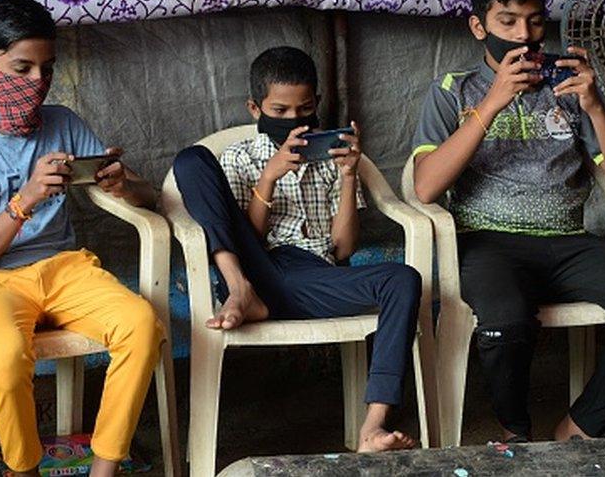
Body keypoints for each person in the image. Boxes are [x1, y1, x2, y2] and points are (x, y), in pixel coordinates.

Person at [411, 0, 605, 442]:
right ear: (479, 27)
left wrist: (594, 105)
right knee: (505, 320)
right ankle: (515, 432)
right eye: (508, 21)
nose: (523, 34)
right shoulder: (452, 90)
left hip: (568, 243)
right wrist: (493, 101)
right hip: (485, 243)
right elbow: (426, 187)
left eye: (535, 21)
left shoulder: (566, 85)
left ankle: (579, 426)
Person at [0, 0, 164, 477]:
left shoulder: (63, 122)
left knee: (141, 324)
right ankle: (23, 470)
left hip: (65, 269)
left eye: (47, 68)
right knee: (3, 354)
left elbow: (149, 197)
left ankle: (104, 468)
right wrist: (25, 201)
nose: (37, 83)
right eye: (22, 68)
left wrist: (125, 184)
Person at [172, 46, 422, 452]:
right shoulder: (239, 157)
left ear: (316, 104)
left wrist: (347, 177)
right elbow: (246, 238)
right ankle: (241, 291)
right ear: (255, 108)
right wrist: (268, 177)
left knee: (403, 279)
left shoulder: (330, 160)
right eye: (280, 110)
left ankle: (373, 427)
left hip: (314, 279)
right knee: (192, 160)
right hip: (255, 271)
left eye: (303, 110)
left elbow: (342, 249)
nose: (293, 121)